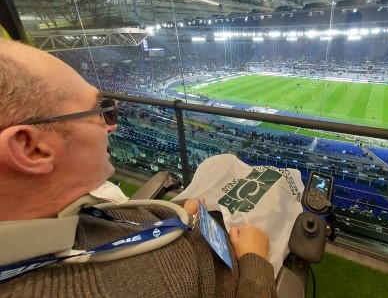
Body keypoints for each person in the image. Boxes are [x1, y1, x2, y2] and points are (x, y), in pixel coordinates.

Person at [0, 40, 276, 297]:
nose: (112, 125)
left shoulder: (57, 217)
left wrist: (176, 213)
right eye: (99, 110)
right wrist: (256, 262)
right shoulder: (119, 287)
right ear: (32, 148)